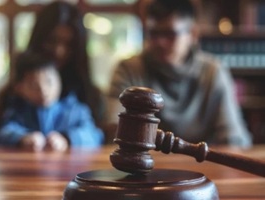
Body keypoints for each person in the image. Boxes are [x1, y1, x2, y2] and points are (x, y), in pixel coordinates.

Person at [106, 0, 252, 147]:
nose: (160, 42)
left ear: (193, 34)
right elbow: (115, 130)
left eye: (169, 34)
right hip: (145, 165)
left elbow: (234, 138)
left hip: (202, 164)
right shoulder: (129, 69)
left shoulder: (213, 72)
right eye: (153, 33)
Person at [0, 51, 104, 151]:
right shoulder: (18, 110)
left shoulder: (75, 109)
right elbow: (2, 133)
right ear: (19, 88)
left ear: (59, 80)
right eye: (33, 85)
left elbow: (95, 135)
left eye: (49, 82)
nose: (43, 90)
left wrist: (67, 139)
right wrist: (23, 138)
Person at [26, 1, 105, 128]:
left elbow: (94, 135)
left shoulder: (90, 98)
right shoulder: (14, 94)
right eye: (52, 41)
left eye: (69, 44)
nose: (59, 52)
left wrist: (68, 139)